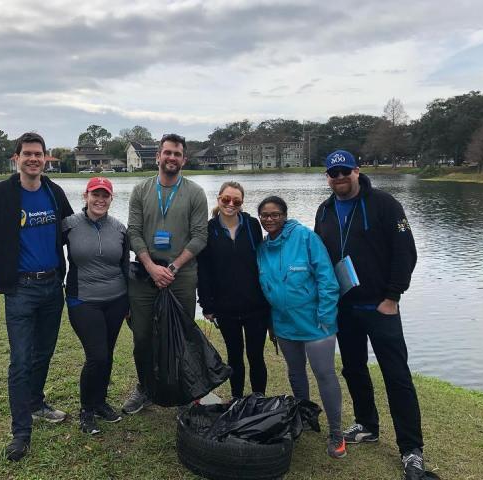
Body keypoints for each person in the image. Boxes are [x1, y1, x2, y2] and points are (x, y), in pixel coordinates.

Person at [0, 132, 73, 461]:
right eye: (28, 154)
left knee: (44, 352)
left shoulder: (54, 191)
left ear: (45, 158)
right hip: (20, 289)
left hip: (52, 286)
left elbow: (73, 232)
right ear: (16, 158)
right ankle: (21, 432)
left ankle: (35, 403)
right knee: (21, 360)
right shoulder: (1, 194)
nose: (34, 159)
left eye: (39, 154)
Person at [314, 150, 425, 479]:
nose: (339, 178)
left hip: (381, 307)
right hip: (344, 307)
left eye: (345, 171)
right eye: (333, 173)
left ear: (357, 171)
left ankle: (411, 448)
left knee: (397, 376)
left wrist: (392, 296)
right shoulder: (325, 210)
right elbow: (320, 257)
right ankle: (367, 424)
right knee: (353, 369)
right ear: (328, 177)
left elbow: (405, 252)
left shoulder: (385, 204)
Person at [122, 133, 208, 414]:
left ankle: (185, 393)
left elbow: (199, 237)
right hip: (146, 273)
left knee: (180, 334)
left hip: (181, 274)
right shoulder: (141, 190)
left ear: (184, 159)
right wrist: (150, 266)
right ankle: (145, 388)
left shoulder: (195, 192)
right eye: (167, 152)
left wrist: (172, 267)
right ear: (158, 156)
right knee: (143, 335)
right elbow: (133, 232)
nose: (172, 158)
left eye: (177, 154)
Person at [256, 195, 346, 459]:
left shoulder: (306, 238)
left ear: (284, 215)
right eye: (264, 215)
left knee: (325, 374)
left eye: (275, 214)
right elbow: (267, 288)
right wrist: (272, 323)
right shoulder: (262, 249)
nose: (270, 219)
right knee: (296, 373)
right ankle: (305, 416)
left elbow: (327, 279)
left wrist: (326, 316)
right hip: (284, 324)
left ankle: (337, 433)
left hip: (316, 323)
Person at [62, 177, 129, 435]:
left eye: (105, 195)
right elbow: (49, 251)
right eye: (95, 195)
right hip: (83, 299)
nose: (100, 200)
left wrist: (130, 302)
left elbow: (125, 266)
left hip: (116, 299)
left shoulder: (120, 229)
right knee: (96, 356)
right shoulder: (68, 226)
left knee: (108, 355)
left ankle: (100, 402)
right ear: (85, 196)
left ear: (111, 199)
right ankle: (86, 409)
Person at [197, 181, 269, 401]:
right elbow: (204, 269)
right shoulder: (208, 229)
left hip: (256, 305)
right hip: (225, 306)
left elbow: (263, 260)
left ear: (242, 203)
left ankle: (258, 400)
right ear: (218, 199)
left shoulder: (252, 225)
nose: (230, 204)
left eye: (236, 201)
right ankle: (237, 400)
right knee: (234, 356)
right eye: (226, 199)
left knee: (256, 356)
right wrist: (207, 305)